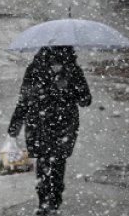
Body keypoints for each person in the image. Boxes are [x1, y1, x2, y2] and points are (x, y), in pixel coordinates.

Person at [8, 46, 92, 215]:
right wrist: (69, 88)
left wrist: (15, 125)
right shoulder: (73, 69)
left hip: (38, 122)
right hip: (65, 124)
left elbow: (24, 99)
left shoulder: (35, 68)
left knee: (44, 161)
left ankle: (44, 202)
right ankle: (53, 201)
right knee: (58, 162)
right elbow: (85, 100)